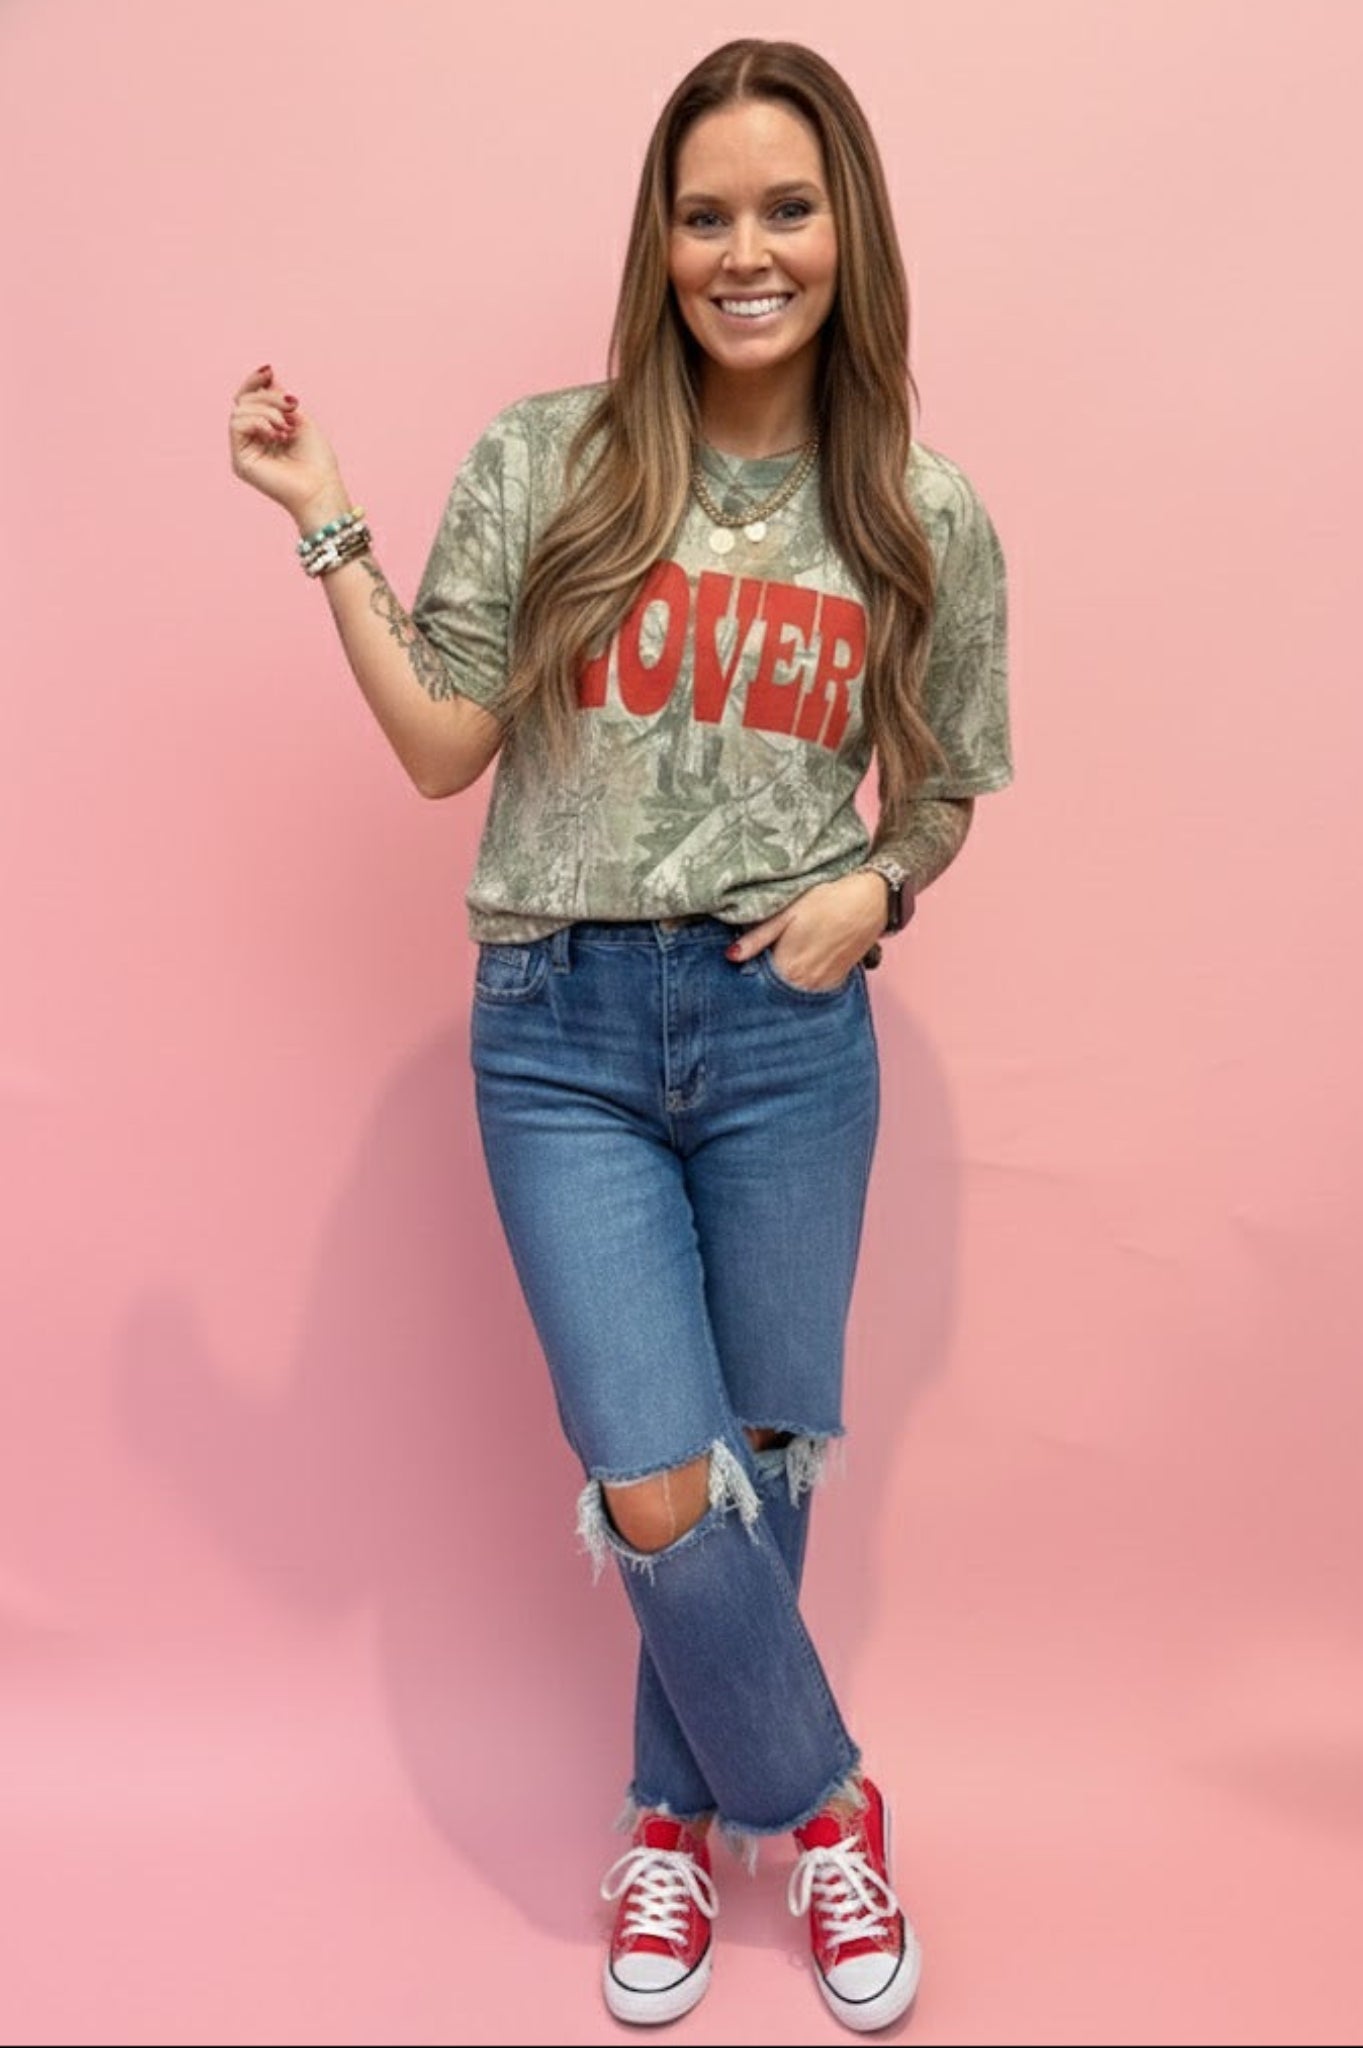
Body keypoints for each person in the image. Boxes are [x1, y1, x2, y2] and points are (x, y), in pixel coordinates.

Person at [228, 36, 1011, 2033]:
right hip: (560, 1025)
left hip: (783, 1033)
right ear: (658, 242)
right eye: (704, 214)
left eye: (785, 208)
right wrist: (327, 521)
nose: (745, 252)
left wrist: (878, 888)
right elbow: (437, 753)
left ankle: (668, 1824)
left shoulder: (921, 511)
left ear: (847, 234)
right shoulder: (549, 458)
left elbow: (941, 788)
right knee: (658, 1475)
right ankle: (826, 1808)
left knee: (759, 1455)